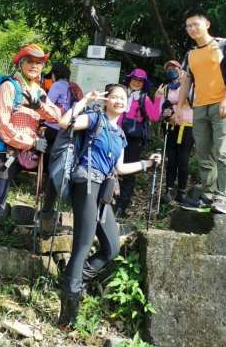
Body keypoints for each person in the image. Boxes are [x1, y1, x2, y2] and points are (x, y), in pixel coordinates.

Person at [57, 85, 161, 331]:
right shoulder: (95, 119)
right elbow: (64, 122)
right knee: (82, 245)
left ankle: (74, 278)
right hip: (86, 184)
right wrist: (84, 100)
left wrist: (146, 163)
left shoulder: (120, 134)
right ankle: (67, 317)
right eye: (114, 96)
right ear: (106, 100)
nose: (119, 100)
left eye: (123, 98)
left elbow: (120, 168)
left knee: (112, 247)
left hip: (103, 189)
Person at [0, 44, 61, 293]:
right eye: (30, 61)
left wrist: (37, 106)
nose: (35, 66)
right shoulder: (9, 87)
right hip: (2, 152)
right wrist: (32, 141)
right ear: (20, 63)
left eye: (39, 62)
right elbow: (1, 124)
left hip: (21, 155)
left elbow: (56, 115)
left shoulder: (37, 91)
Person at [175, 8, 226, 214]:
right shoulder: (191, 54)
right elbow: (186, 81)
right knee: (204, 153)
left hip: (222, 104)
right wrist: (179, 107)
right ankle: (210, 195)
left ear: (207, 24)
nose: (192, 29)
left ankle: (225, 197)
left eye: (196, 24)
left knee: (223, 152)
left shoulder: (224, 44)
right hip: (200, 108)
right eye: (188, 26)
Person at [114, 69, 163, 218]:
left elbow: (154, 116)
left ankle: (121, 207)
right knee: (110, 169)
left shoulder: (144, 98)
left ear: (143, 84)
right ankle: (107, 203)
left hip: (134, 139)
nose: (136, 82)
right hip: (115, 134)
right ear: (129, 80)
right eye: (134, 79)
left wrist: (158, 98)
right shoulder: (121, 95)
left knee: (129, 173)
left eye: (140, 80)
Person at [41, 62, 83, 232]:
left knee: (47, 158)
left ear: (55, 74)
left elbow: (48, 105)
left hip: (54, 127)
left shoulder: (57, 84)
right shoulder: (75, 86)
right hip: (70, 131)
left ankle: (45, 193)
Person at [159, 60, 194, 205]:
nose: (171, 70)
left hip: (188, 126)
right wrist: (164, 112)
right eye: (168, 68)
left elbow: (196, 101)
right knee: (172, 160)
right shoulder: (165, 89)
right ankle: (168, 190)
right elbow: (158, 112)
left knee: (183, 161)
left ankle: (181, 192)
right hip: (171, 125)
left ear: (181, 70)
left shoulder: (190, 86)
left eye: (174, 68)